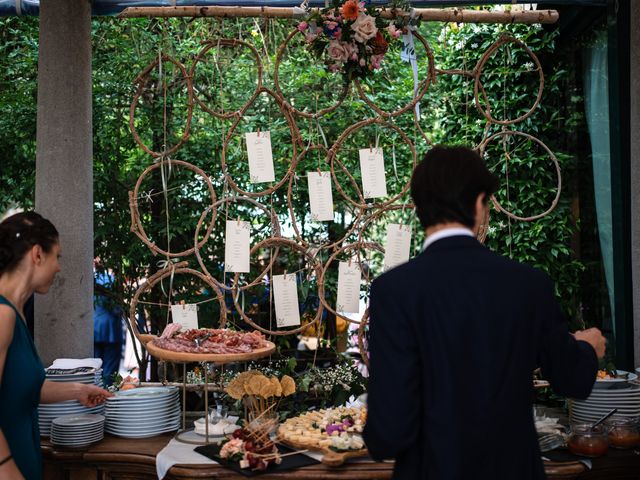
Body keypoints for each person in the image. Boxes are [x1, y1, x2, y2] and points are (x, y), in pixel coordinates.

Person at [362, 146, 606, 480]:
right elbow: (572, 378)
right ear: (480, 203)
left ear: (418, 209)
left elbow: (387, 435)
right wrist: (587, 347)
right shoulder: (527, 284)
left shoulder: (393, 291)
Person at [0, 212, 112, 480]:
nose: (59, 267)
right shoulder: (2, 314)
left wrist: (77, 390)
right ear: (37, 254)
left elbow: (17, 388)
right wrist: (6, 468)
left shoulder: (16, 312)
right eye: (57, 256)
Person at [93, 261, 125, 386]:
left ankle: (96, 390)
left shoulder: (92, 280)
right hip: (111, 329)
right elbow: (117, 309)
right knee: (110, 367)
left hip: (95, 329)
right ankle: (106, 392)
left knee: (96, 367)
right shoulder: (112, 281)